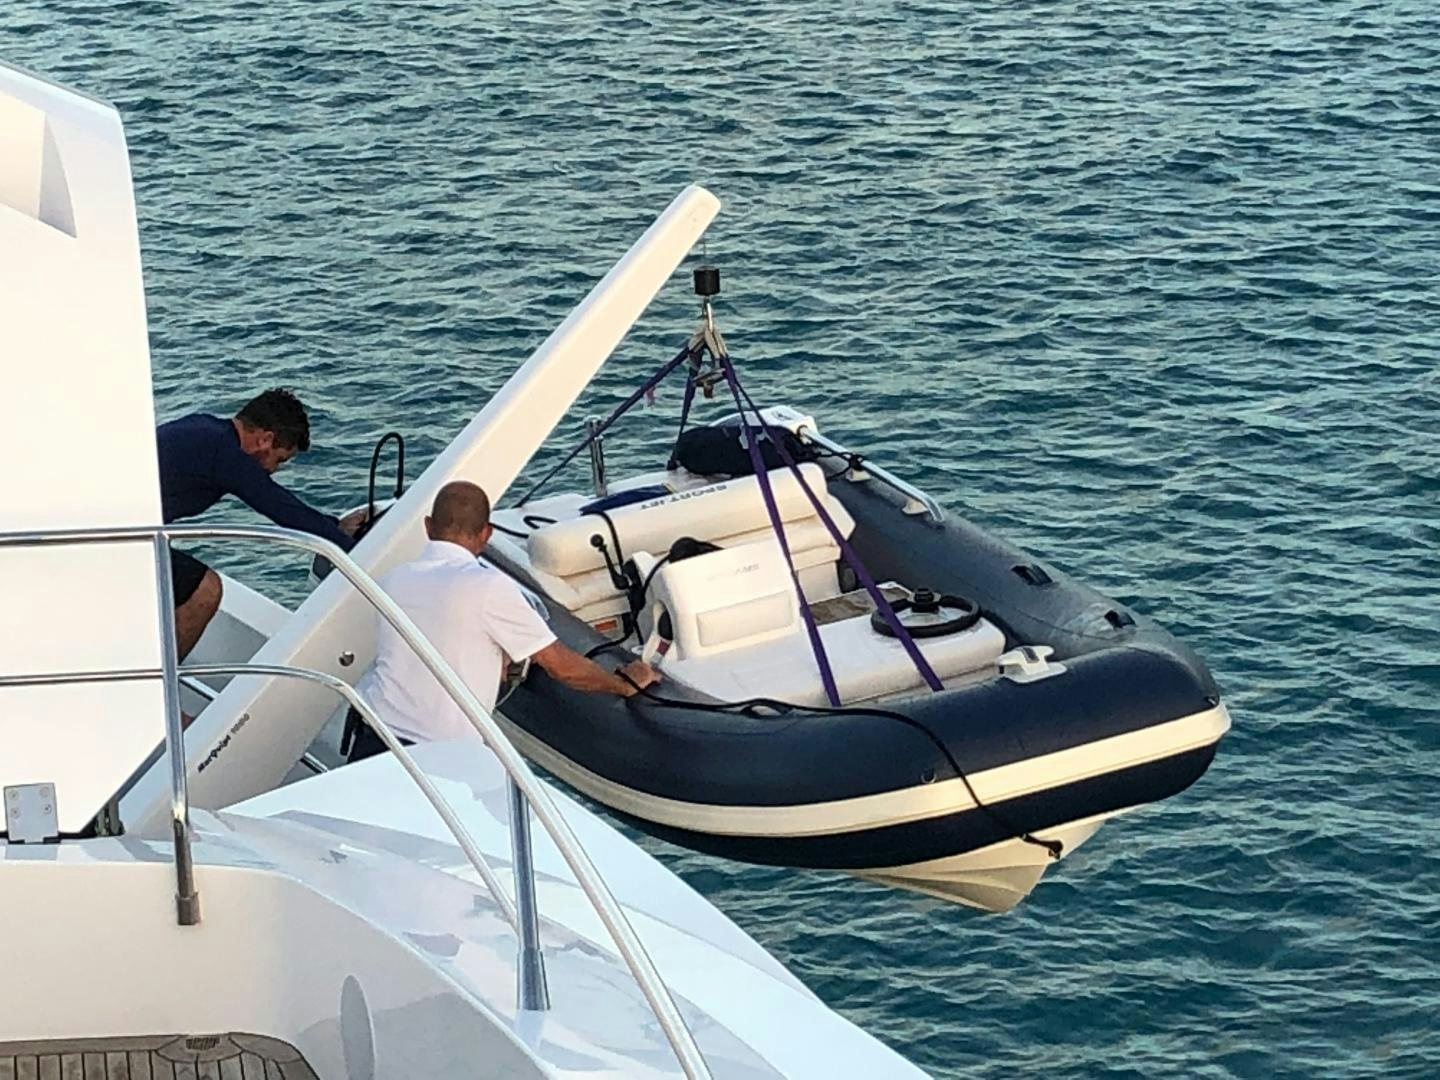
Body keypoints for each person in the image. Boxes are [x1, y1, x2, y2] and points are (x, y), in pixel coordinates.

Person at [344, 480, 658, 762]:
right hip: (436, 754)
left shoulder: (392, 580)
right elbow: (560, 666)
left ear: (428, 526)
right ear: (486, 533)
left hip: (372, 734)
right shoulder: (489, 588)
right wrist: (623, 682)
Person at [156, 388, 362, 658]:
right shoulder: (223, 452)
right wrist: (353, 550)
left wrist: (334, 525)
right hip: (119, 537)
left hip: (113, 526)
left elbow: (279, 501)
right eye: (279, 460)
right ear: (265, 439)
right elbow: (279, 508)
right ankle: (159, 690)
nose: (272, 470)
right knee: (205, 591)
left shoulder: (206, 430)